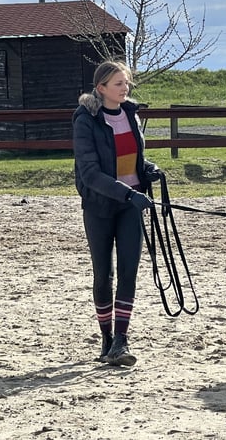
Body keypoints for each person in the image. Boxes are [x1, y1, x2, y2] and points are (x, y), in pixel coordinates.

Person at [72, 60, 162, 367]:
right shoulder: (86, 120)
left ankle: (122, 340)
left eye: (126, 83)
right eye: (118, 84)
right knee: (104, 274)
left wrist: (146, 170)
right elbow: (90, 173)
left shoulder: (130, 115)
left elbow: (130, 157)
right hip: (100, 205)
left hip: (130, 204)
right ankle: (107, 338)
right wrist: (128, 193)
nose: (125, 88)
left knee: (129, 271)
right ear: (101, 89)